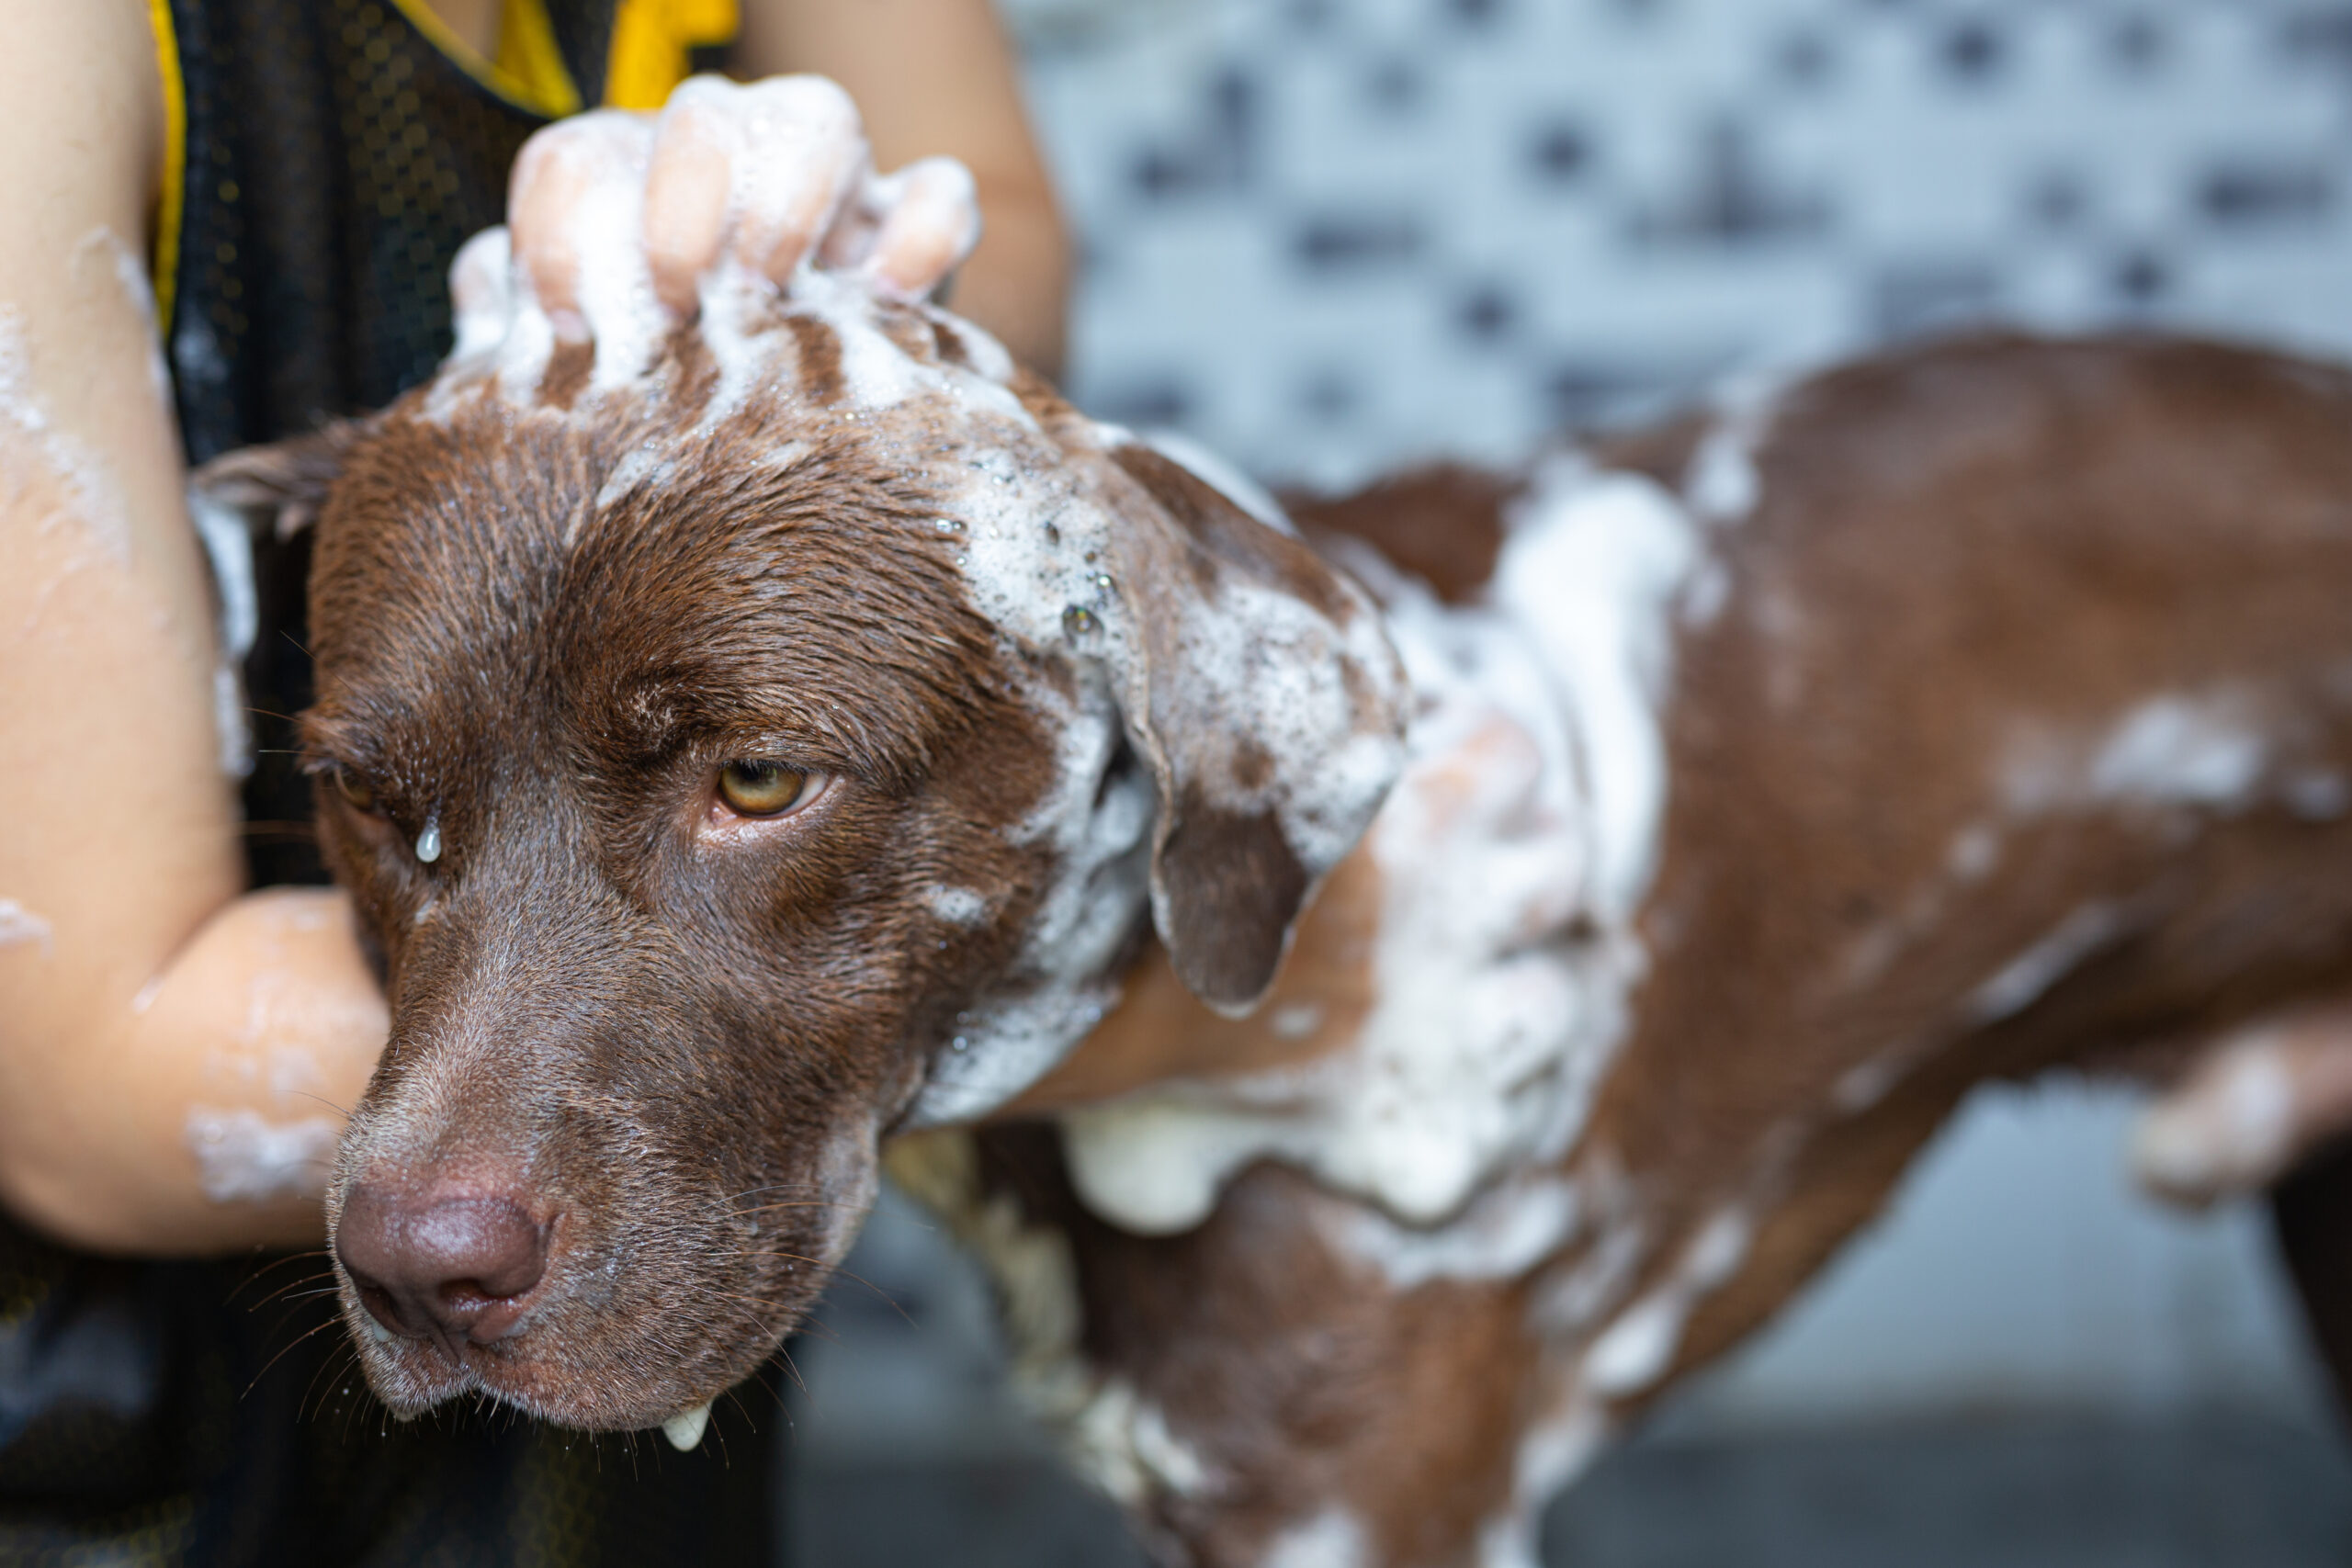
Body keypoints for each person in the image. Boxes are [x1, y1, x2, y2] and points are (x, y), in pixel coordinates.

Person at [0, 1, 1063, 1560]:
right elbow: (90, 1081)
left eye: (757, 777)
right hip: (105, 1439)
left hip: (636, 1410)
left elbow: (1006, 227)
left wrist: (845, 314)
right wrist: (1243, 996)